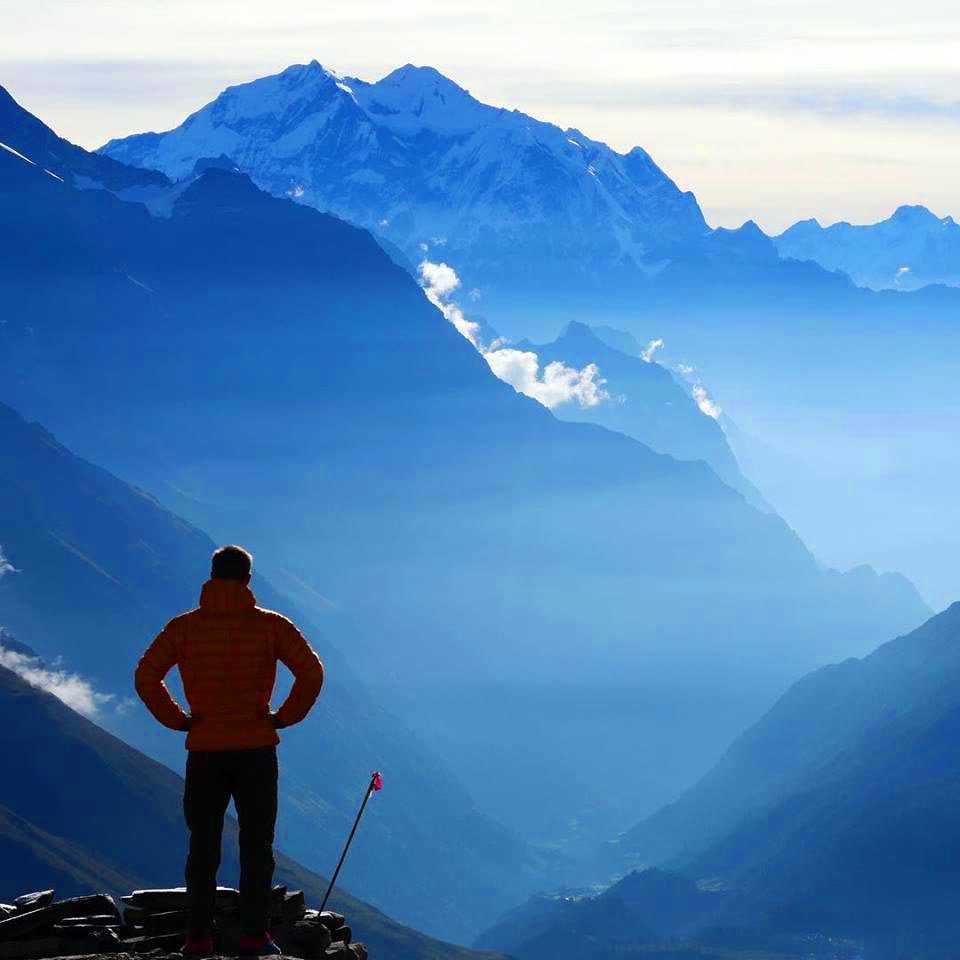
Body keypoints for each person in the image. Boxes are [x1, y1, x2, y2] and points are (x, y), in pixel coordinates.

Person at [135, 545, 324, 958]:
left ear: (211, 576)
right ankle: (256, 936)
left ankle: (197, 938)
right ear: (248, 581)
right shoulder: (272, 627)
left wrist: (180, 720)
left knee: (203, 846)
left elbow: (147, 675)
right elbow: (311, 672)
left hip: (204, 750)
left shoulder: (183, 628)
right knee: (257, 846)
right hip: (256, 749)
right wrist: (283, 718)